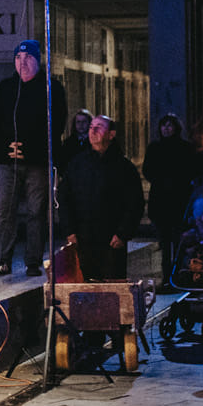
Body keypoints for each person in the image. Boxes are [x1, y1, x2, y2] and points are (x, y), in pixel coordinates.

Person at [0, 38, 68, 275]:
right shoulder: (5, 88)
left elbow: (57, 124)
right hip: (7, 161)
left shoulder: (51, 88)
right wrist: (6, 146)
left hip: (37, 162)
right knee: (4, 211)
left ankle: (32, 260)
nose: (23, 63)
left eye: (28, 58)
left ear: (38, 60)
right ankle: (1, 258)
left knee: (35, 211)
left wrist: (29, 146)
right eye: (18, 58)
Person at [59, 114, 145, 282]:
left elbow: (134, 203)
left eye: (99, 127)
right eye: (91, 127)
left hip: (111, 240)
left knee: (112, 290)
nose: (93, 131)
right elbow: (64, 197)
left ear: (111, 134)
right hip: (83, 238)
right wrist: (69, 229)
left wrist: (122, 233)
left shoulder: (124, 167)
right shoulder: (77, 164)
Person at [142, 113, 198, 278]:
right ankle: (167, 273)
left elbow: (190, 169)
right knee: (165, 241)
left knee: (178, 239)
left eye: (169, 126)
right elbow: (148, 170)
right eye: (163, 126)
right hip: (161, 199)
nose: (166, 129)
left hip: (178, 199)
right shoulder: (154, 148)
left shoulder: (185, 148)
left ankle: (179, 271)